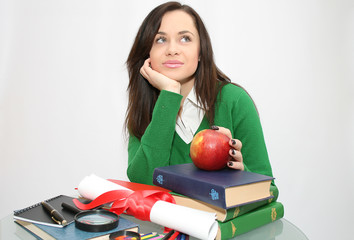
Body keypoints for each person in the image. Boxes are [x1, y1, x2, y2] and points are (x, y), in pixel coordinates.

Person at [125, 1, 274, 186]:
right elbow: (143, 183)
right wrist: (170, 94)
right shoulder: (144, 110)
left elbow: (270, 191)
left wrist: (240, 173)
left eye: (185, 38)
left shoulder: (234, 101)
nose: (172, 50)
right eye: (160, 40)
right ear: (147, 53)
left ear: (201, 51)